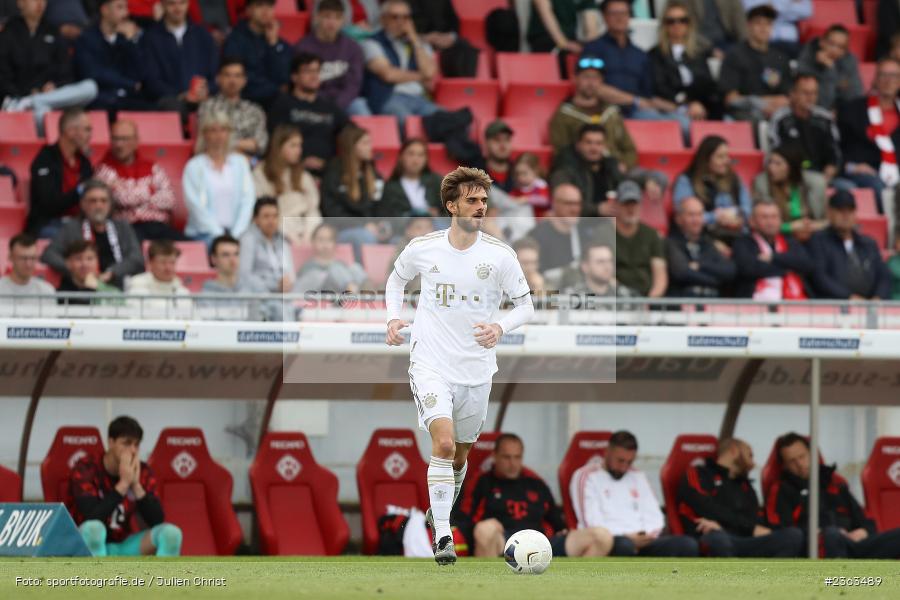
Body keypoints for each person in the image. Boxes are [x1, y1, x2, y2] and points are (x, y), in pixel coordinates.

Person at [384, 166, 535, 565]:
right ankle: (445, 535)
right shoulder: (425, 247)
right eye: (472, 200)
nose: (480, 207)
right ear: (451, 205)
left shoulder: (500, 255)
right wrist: (393, 317)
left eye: (484, 200)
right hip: (430, 360)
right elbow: (396, 279)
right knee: (445, 443)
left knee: (461, 456)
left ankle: (441, 507)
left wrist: (500, 327)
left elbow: (526, 306)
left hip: (477, 370)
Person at [457, 433, 613, 559]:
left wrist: (563, 530)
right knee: (485, 529)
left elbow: (556, 519)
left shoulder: (536, 483)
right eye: (507, 457)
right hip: (504, 540)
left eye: (517, 457)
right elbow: (462, 519)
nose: (512, 463)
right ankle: (487, 589)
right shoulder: (482, 482)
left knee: (602, 536)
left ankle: (576, 587)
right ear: (495, 456)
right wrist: (485, 526)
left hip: (541, 542)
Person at [767, 432, 900, 559]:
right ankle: (836, 580)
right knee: (831, 535)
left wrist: (862, 532)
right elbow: (784, 533)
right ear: (784, 466)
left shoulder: (835, 483)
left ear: (812, 454)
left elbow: (867, 521)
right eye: (792, 461)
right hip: (815, 547)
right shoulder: (781, 490)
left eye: (802, 457)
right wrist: (820, 533)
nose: (800, 464)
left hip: (853, 544)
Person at [570, 430, 699, 557]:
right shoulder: (586, 476)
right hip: (611, 541)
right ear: (607, 452)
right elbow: (591, 524)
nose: (624, 467)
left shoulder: (637, 476)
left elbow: (655, 516)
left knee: (688, 545)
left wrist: (645, 536)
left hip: (644, 541)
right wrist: (627, 537)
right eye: (620, 460)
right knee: (624, 546)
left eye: (629, 462)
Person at [67, 416, 182, 557]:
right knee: (94, 529)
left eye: (136, 445)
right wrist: (123, 484)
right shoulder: (86, 468)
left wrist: (135, 485)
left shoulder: (143, 471)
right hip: (87, 546)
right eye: (126, 443)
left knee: (171, 533)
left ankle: (166, 579)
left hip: (124, 545)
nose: (132, 450)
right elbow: (91, 517)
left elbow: (157, 520)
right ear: (111, 442)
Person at [677, 437, 804, 557]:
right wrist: (748, 528)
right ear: (733, 450)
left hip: (745, 540)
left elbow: (754, 518)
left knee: (793, 536)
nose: (753, 463)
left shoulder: (745, 485)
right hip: (713, 536)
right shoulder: (699, 473)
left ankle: (768, 578)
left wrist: (756, 529)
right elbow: (705, 506)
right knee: (719, 540)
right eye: (750, 455)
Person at [582, 0, 687, 132]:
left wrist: (677, 108)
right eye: (614, 13)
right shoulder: (593, 48)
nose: (620, 17)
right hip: (607, 111)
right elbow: (592, 86)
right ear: (604, 16)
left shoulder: (640, 54)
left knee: (685, 122)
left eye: (624, 13)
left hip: (640, 111)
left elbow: (649, 97)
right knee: (673, 126)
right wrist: (634, 100)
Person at [0, 0, 98, 130]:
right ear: (20, 3)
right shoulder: (8, 32)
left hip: (50, 97)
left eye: (44, 0)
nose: (40, 4)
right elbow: (3, 74)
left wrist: (55, 85)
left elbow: (66, 72)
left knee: (91, 87)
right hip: (19, 99)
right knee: (43, 111)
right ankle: (31, 102)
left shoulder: (54, 31)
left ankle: (33, 102)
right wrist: (26, 92)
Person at [42, 179, 144, 290]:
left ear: (110, 205)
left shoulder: (122, 227)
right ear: (83, 204)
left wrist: (112, 272)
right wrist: (73, 268)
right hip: (80, 288)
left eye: (103, 201)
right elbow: (49, 254)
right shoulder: (72, 227)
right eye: (93, 201)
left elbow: (136, 258)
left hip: (116, 286)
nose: (98, 205)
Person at [94, 120, 181, 242]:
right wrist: (151, 191)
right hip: (127, 229)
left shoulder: (152, 167)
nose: (119, 144)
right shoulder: (103, 170)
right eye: (115, 139)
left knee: (192, 246)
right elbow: (122, 199)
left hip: (159, 226)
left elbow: (170, 199)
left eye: (124, 139)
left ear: (136, 141)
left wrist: (137, 199)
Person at [267, 52, 349, 176]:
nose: (314, 76)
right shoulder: (282, 104)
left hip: (327, 171)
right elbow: (276, 141)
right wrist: (300, 161)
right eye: (307, 71)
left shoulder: (329, 107)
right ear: (294, 77)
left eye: (317, 71)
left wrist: (331, 164)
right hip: (292, 170)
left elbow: (352, 133)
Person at [548, 55, 638, 167]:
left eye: (596, 78)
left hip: (615, 169)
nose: (591, 83)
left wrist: (624, 165)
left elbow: (629, 149)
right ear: (575, 79)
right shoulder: (564, 115)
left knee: (655, 178)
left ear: (601, 81)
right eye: (586, 77)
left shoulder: (611, 112)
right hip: (582, 172)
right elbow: (561, 153)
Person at [837, 57, 900, 215]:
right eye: (883, 75)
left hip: (895, 175)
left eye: (894, 76)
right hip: (863, 173)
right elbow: (837, 147)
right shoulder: (853, 109)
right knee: (877, 185)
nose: (888, 80)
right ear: (875, 79)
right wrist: (853, 166)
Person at [182, 111, 257, 243]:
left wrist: (235, 234)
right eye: (213, 130)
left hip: (238, 233)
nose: (219, 135)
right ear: (204, 134)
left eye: (223, 130)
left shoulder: (240, 163)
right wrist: (220, 236)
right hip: (204, 234)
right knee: (223, 252)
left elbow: (248, 200)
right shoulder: (194, 166)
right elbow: (195, 206)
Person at [359, 0, 438, 124]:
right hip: (387, 98)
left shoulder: (419, 43)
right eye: (395, 17)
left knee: (449, 120)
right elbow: (388, 75)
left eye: (406, 17)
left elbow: (430, 72)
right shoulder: (372, 42)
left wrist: (414, 39)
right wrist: (421, 76)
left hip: (418, 98)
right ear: (383, 20)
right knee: (408, 123)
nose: (401, 22)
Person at [807, 190, 890, 300]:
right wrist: (848, 297)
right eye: (840, 210)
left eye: (850, 211)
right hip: (833, 308)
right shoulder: (818, 240)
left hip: (869, 308)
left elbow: (884, 276)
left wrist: (878, 298)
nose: (846, 215)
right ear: (830, 212)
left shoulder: (868, 243)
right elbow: (819, 278)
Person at [139, 0, 217, 116]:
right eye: (172, 3)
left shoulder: (203, 35)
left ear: (188, 4)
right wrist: (180, 95)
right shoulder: (150, 37)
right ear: (163, 5)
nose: (177, 8)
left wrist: (207, 89)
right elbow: (150, 80)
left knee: (219, 108)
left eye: (182, 3)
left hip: (203, 98)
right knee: (173, 107)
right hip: (169, 100)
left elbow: (216, 73)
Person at [25, 107, 93, 238]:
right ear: (70, 131)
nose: (90, 135)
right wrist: (81, 190)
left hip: (80, 223)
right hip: (48, 223)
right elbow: (49, 204)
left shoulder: (84, 162)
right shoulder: (45, 159)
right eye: (87, 129)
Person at [648, 0, 720, 122]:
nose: (677, 25)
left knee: (728, 123)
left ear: (689, 24)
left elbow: (707, 83)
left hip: (703, 107)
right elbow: (661, 87)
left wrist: (699, 104)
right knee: (687, 125)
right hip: (673, 108)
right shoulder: (655, 54)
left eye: (683, 20)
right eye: (671, 21)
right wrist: (688, 103)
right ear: (664, 25)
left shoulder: (698, 53)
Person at [768, 74, 843, 189]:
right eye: (805, 93)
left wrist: (829, 172)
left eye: (814, 93)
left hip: (822, 175)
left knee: (847, 188)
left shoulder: (825, 119)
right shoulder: (781, 119)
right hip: (791, 175)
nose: (810, 97)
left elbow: (835, 153)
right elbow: (775, 151)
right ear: (792, 94)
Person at [320, 125, 387, 253]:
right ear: (352, 146)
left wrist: (382, 224)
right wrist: (362, 225)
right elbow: (332, 211)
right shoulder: (334, 173)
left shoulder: (374, 174)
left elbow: (380, 204)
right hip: (342, 230)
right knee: (365, 236)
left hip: (370, 228)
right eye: (365, 143)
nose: (370, 147)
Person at [74, 0, 150, 112]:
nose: (126, 13)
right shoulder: (87, 39)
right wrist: (129, 84)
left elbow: (141, 74)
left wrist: (131, 41)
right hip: (99, 99)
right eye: (120, 7)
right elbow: (92, 73)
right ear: (105, 10)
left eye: (126, 8)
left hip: (128, 99)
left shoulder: (128, 40)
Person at [718, 4, 790, 122]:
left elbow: (787, 95)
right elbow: (730, 99)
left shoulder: (780, 57)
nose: (764, 28)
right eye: (758, 23)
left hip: (778, 113)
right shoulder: (734, 55)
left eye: (768, 23)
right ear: (748, 26)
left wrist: (777, 104)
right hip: (746, 114)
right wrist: (762, 103)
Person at [252, 124, 321, 247]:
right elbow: (263, 210)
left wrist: (308, 236)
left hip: (305, 232)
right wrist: (291, 237)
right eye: (293, 145)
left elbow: (313, 208)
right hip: (277, 230)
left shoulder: (304, 175)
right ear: (279, 147)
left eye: (299, 145)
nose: (298, 150)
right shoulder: (261, 173)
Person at [674, 135, 752, 243]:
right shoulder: (686, 180)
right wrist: (716, 217)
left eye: (727, 156)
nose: (726, 161)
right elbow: (684, 215)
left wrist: (738, 216)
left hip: (737, 234)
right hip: (703, 237)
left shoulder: (734, 178)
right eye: (720, 157)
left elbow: (748, 208)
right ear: (706, 159)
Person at [732, 200, 813, 299]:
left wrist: (773, 257)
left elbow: (805, 263)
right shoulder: (743, 242)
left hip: (793, 303)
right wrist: (789, 267)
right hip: (754, 304)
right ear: (752, 221)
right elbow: (749, 269)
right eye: (764, 217)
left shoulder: (790, 241)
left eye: (774, 217)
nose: (770, 222)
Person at [294, 0, 365, 113]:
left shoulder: (353, 48)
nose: (332, 23)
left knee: (360, 106)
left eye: (337, 17)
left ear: (343, 21)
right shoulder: (303, 47)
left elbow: (353, 85)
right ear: (317, 17)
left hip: (344, 102)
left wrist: (337, 105)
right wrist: (323, 103)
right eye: (327, 17)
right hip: (313, 100)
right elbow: (301, 83)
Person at [221, 0, 290, 108]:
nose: (265, 10)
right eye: (259, 5)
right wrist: (273, 89)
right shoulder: (235, 40)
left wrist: (273, 45)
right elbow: (235, 76)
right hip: (245, 102)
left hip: (275, 103)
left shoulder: (280, 44)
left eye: (270, 6)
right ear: (248, 10)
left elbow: (284, 77)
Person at [751, 145, 826, 242]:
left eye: (778, 164)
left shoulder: (813, 184)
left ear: (791, 166)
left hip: (812, 235)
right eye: (770, 162)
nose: (771, 168)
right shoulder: (762, 184)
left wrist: (814, 225)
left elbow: (827, 220)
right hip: (780, 238)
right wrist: (790, 227)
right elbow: (761, 223)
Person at [665, 196, 736, 298]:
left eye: (699, 214)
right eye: (691, 215)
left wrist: (700, 266)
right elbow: (682, 273)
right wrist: (715, 280)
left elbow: (729, 271)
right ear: (678, 219)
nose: (696, 220)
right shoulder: (671, 243)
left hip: (712, 304)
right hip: (683, 305)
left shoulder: (709, 243)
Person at [197, 58, 269, 158]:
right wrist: (241, 150)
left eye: (237, 76)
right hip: (214, 161)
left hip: (249, 166)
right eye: (227, 75)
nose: (232, 80)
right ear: (218, 79)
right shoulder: (208, 107)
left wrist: (226, 144)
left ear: (244, 80)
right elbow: (205, 142)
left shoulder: (255, 110)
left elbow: (260, 144)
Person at [526, 183, 601, 276]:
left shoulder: (585, 234)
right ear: (554, 203)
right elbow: (532, 279)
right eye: (569, 203)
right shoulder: (537, 237)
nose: (575, 209)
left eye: (578, 204)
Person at [551, 123, 623, 218]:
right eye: (588, 142)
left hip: (609, 223)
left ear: (605, 146)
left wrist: (647, 179)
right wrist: (597, 209)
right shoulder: (565, 169)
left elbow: (630, 178)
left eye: (599, 143)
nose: (594, 148)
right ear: (578, 145)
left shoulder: (610, 166)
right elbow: (563, 203)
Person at [615, 180, 668, 298]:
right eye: (626, 204)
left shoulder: (651, 234)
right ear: (617, 205)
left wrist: (650, 301)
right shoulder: (604, 232)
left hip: (646, 299)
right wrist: (624, 297)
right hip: (616, 299)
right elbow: (602, 273)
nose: (631, 209)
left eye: (634, 203)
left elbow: (660, 274)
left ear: (641, 205)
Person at [796, 24, 863, 111]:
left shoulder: (849, 61)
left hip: (840, 111)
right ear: (822, 42)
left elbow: (856, 95)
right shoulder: (809, 55)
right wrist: (830, 71)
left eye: (841, 47)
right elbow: (824, 102)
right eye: (831, 44)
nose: (834, 50)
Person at [292, 222, 369, 295]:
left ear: (335, 243)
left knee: (355, 268)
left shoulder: (340, 263)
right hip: (322, 296)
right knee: (333, 270)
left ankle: (366, 293)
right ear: (313, 242)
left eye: (329, 240)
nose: (325, 244)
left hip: (343, 294)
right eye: (320, 240)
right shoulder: (308, 266)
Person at [239, 196, 294, 296]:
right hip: (258, 297)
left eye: (275, 216)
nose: (271, 221)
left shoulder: (283, 241)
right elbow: (244, 276)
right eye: (266, 216)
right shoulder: (248, 239)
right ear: (256, 219)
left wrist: (287, 283)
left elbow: (291, 274)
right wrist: (275, 285)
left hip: (285, 296)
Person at [381, 138, 443, 217]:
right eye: (411, 154)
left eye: (420, 155)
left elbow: (450, 212)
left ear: (426, 159)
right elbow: (386, 217)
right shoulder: (390, 187)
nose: (415, 159)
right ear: (401, 157)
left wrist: (437, 215)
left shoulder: (436, 181)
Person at [563, 241, 634, 300]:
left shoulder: (626, 296)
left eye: (610, 261)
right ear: (585, 267)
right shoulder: (570, 297)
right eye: (600, 262)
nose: (607, 267)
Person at [56, 240, 121, 304]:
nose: (85, 264)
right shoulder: (60, 294)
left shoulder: (113, 292)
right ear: (68, 263)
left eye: (90, 258)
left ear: (97, 262)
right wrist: (89, 290)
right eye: (78, 258)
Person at [125, 239, 190, 301]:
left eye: (172, 262)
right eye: (163, 262)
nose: (168, 268)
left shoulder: (183, 292)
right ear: (150, 264)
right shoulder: (137, 288)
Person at [526, 0, 599, 54]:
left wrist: (590, 47)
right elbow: (545, 13)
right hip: (545, 38)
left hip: (570, 39)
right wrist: (563, 43)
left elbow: (591, 25)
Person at [508, 152, 550, 219]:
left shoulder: (540, 185)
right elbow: (510, 200)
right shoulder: (517, 187)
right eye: (518, 174)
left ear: (535, 171)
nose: (520, 178)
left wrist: (527, 199)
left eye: (524, 173)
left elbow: (545, 200)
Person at [482, 120, 515, 193]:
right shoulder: (475, 173)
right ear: (487, 142)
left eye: (507, 139)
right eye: (497, 140)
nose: (503, 145)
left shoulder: (519, 170)